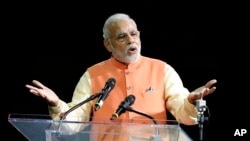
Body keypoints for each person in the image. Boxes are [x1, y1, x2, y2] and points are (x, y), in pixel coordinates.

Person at [25, 13, 217, 140]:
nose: (131, 40)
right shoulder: (92, 75)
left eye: (134, 34)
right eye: (121, 37)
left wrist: (191, 102)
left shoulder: (162, 69)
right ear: (108, 45)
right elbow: (72, 124)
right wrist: (56, 104)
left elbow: (184, 115)